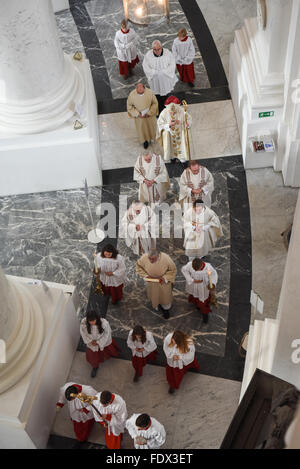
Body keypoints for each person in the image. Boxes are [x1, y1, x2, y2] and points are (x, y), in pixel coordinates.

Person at [136, 249, 177, 319]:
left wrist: (165, 278)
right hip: (151, 282)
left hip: (163, 282)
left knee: (164, 297)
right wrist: (146, 276)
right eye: (149, 259)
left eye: (153, 259)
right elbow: (139, 266)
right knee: (154, 295)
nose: (151, 261)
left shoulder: (166, 258)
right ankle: (157, 304)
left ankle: (166, 309)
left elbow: (173, 270)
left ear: (158, 256)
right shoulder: (144, 257)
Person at [56, 382, 98, 448]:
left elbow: (96, 402)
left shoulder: (89, 391)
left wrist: (86, 409)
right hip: (74, 413)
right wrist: (60, 404)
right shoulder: (65, 388)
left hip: (86, 415)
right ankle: (81, 438)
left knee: (86, 426)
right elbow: (62, 397)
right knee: (78, 425)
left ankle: (82, 439)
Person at [80, 311, 120, 378]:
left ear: (97, 318)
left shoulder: (104, 323)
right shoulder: (83, 324)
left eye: (93, 321)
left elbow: (107, 334)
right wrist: (90, 341)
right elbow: (83, 333)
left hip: (102, 342)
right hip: (91, 343)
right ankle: (95, 367)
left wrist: (99, 342)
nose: (92, 323)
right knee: (93, 356)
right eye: (90, 321)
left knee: (107, 350)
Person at [143, 40, 178, 113]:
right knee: (157, 95)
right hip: (155, 80)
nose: (157, 51)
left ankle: (165, 109)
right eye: (155, 49)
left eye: (158, 49)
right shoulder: (148, 55)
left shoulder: (168, 53)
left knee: (165, 95)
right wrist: (154, 72)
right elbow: (145, 66)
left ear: (161, 47)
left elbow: (172, 64)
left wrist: (163, 72)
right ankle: (159, 109)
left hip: (165, 79)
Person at [181, 258, 218, 324]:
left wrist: (212, 283)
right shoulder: (190, 264)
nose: (195, 270)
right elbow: (184, 270)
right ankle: (197, 305)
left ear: (201, 265)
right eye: (194, 269)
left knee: (203, 301)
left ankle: (205, 315)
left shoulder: (208, 267)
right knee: (195, 296)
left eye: (197, 269)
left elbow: (214, 275)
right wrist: (191, 280)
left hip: (203, 287)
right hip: (193, 285)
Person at [157, 95, 192, 163]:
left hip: (180, 133)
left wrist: (187, 124)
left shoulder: (181, 110)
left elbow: (188, 118)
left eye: (174, 111)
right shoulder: (164, 112)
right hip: (169, 134)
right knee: (170, 146)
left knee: (181, 145)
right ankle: (171, 156)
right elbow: (160, 124)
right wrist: (169, 125)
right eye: (171, 112)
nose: (173, 113)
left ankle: (181, 158)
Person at [127, 83, 159, 149]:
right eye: (138, 90)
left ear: (144, 88)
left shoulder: (150, 92)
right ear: (136, 89)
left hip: (150, 116)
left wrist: (149, 112)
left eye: (142, 89)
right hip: (140, 117)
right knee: (142, 130)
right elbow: (129, 106)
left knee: (151, 128)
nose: (140, 91)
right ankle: (145, 141)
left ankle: (152, 138)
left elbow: (155, 103)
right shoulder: (132, 95)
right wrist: (137, 114)